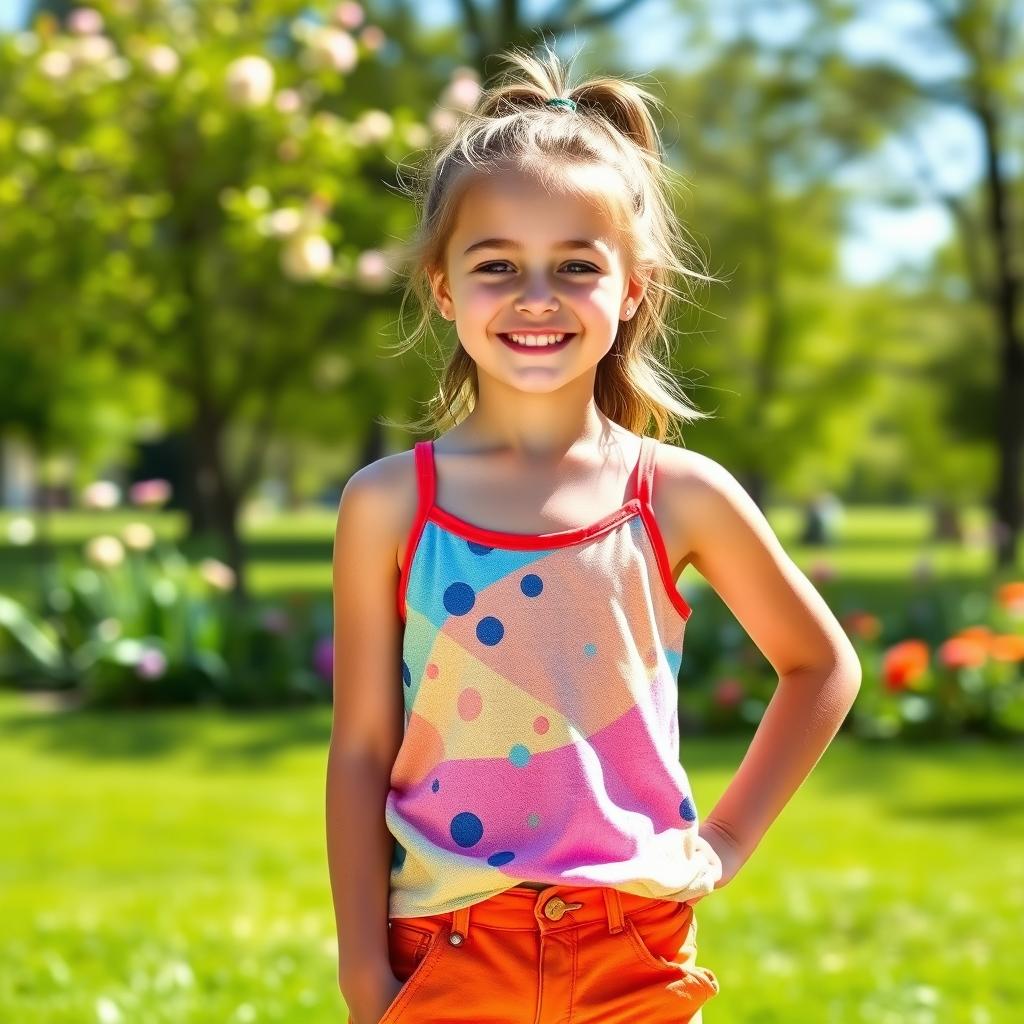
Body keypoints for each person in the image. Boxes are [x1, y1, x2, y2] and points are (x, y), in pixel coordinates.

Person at [327, 43, 862, 1024]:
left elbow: (820, 665)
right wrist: (364, 969)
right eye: (497, 266)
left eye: (576, 265)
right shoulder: (386, 504)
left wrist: (728, 840)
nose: (537, 296)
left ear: (632, 289)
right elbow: (362, 746)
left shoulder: (681, 494)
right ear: (442, 287)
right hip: (446, 948)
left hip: (636, 956)